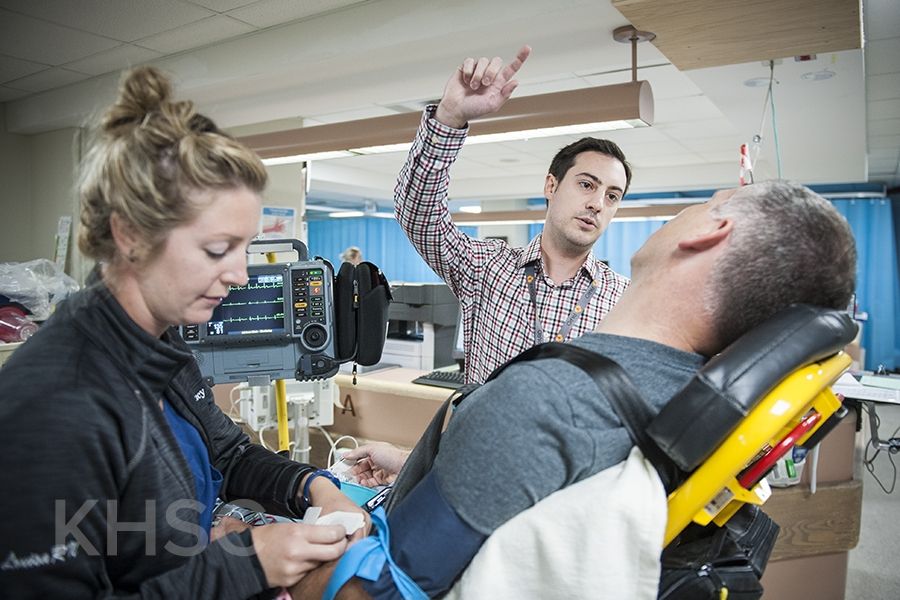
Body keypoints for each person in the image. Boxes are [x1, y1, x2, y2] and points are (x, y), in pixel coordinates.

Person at [298, 180, 857, 598]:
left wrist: (254, 550)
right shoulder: (676, 390)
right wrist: (449, 467)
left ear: (712, 231)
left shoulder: (549, 400)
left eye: (704, 203)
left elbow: (373, 592)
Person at [0, 67, 367, 599]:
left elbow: (230, 456)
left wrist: (315, 487)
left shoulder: (163, 342)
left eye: (245, 248)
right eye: (218, 250)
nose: (240, 274)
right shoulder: (57, 405)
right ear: (130, 234)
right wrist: (246, 566)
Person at [395, 46, 632, 384]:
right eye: (586, 185)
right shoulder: (486, 268)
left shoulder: (624, 298)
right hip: (482, 436)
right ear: (551, 185)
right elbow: (418, 215)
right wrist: (450, 115)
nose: (597, 203)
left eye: (612, 196)